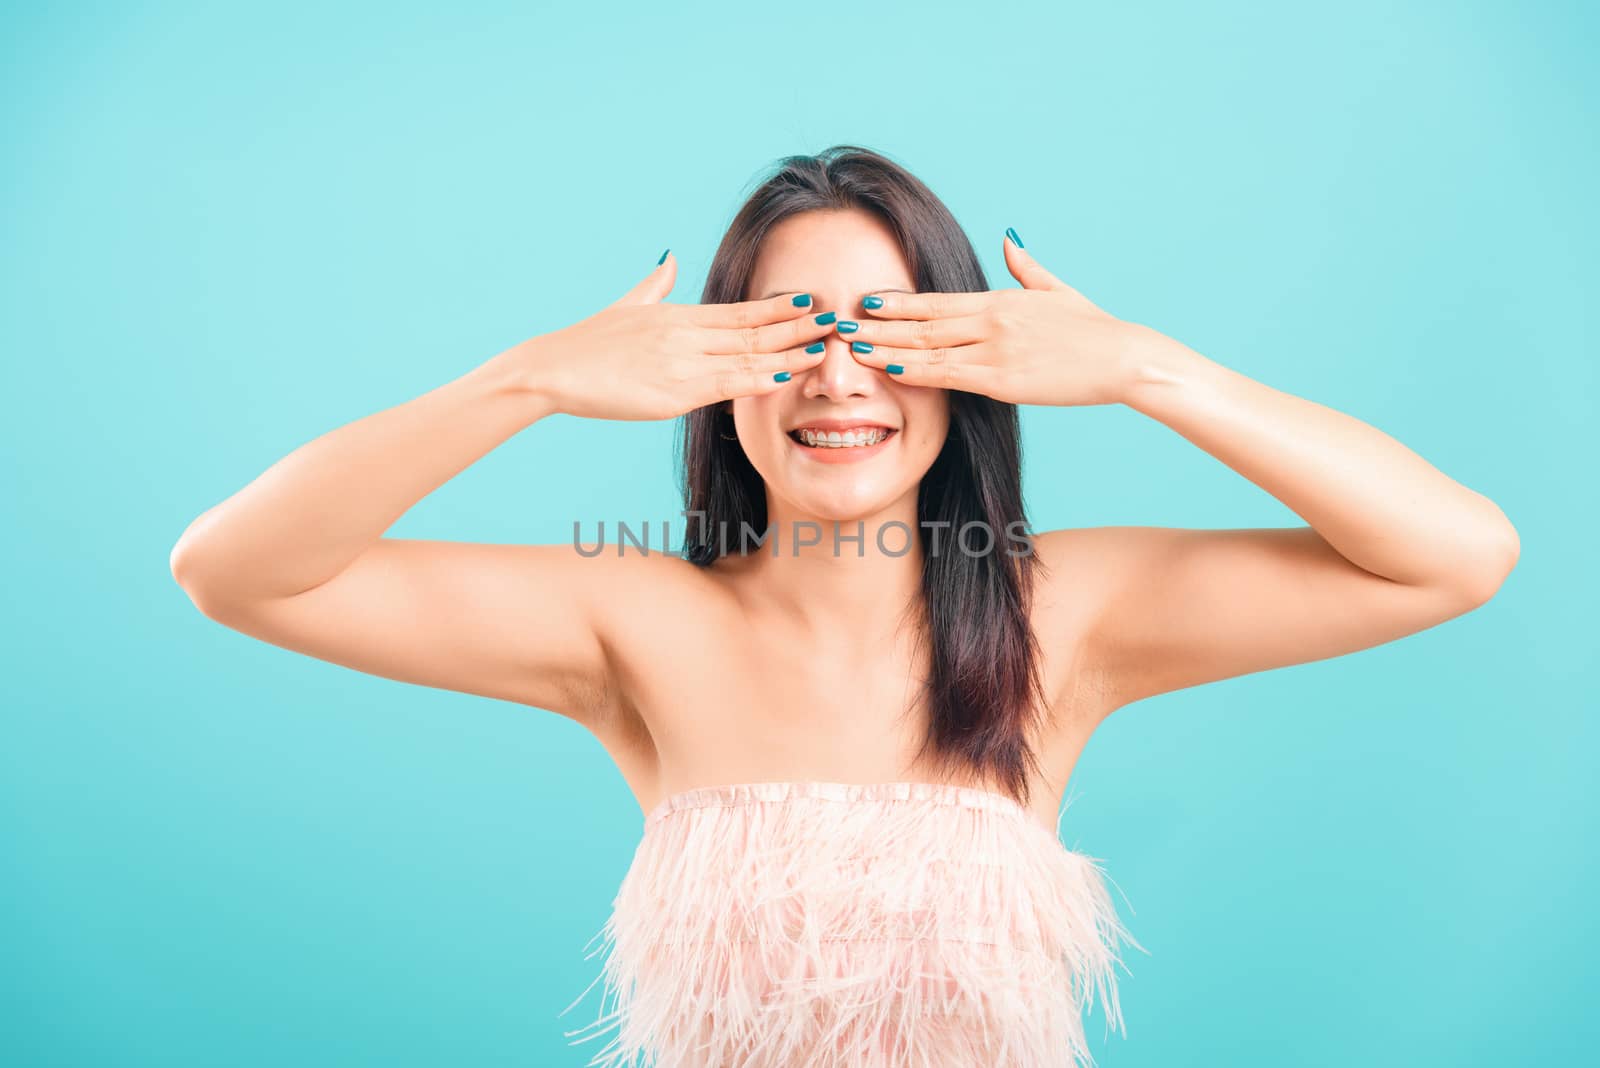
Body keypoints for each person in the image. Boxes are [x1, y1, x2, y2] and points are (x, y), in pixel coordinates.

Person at [168, 145, 1521, 1068]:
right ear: (713, 370)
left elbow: (1454, 554)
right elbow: (231, 570)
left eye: (886, 331)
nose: (837, 377)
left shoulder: (1069, 616)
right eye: (788, 332)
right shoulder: (627, 622)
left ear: (969, 363)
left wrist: (1143, 368)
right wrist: (520, 383)